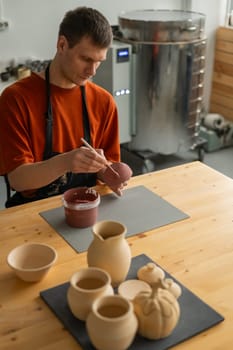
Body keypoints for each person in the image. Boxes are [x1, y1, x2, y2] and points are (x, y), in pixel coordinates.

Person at [0, 6, 127, 208]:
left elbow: (108, 167)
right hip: (33, 212)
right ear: (61, 45)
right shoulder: (16, 99)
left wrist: (108, 173)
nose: (91, 71)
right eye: (85, 59)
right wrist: (66, 162)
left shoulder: (104, 102)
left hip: (87, 207)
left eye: (99, 62)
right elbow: (18, 180)